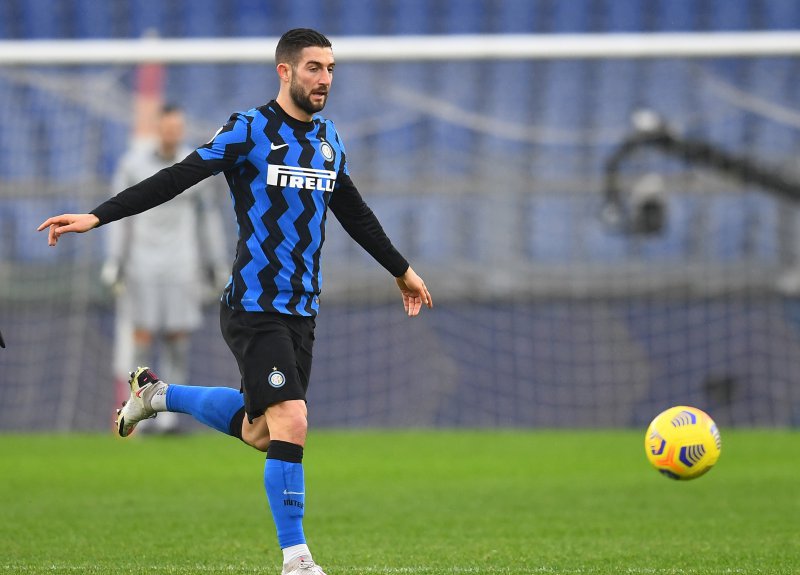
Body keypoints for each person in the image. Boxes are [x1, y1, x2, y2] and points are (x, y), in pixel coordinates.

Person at [38, 28, 432, 575]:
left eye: (331, 69)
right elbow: (177, 177)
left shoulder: (328, 140)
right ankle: (297, 559)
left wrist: (402, 270)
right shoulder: (250, 129)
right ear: (285, 71)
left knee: (261, 431)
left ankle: (156, 395)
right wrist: (97, 216)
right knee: (292, 419)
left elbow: (354, 211)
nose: (324, 79)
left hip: (302, 309)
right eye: (314, 68)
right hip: (254, 305)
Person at [102, 104, 229, 433]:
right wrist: (115, 260)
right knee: (141, 335)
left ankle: (170, 413)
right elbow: (120, 217)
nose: (172, 132)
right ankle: (137, 408)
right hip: (142, 263)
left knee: (178, 337)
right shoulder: (133, 165)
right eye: (167, 127)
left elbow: (209, 218)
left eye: (177, 127)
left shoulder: (196, 164)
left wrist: (216, 263)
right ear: (158, 128)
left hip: (181, 263)